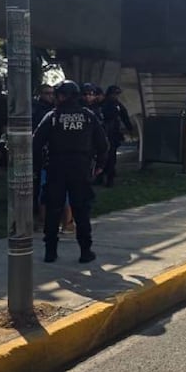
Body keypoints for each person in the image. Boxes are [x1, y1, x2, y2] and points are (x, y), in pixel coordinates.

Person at [33, 80, 108, 264]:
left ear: (61, 96)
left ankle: (50, 252)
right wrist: (100, 164)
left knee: (53, 209)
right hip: (81, 168)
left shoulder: (52, 117)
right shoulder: (88, 116)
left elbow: (36, 143)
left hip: (56, 168)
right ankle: (85, 251)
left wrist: (38, 166)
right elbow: (103, 144)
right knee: (81, 210)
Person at [100, 85, 135, 187]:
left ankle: (110, 178)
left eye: (117, 94)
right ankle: (101, 176)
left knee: (111, 157)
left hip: (113, 134)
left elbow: (124, 116)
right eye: (114, 94)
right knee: (103, 157)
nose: (115, 96)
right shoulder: (104, 104)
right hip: (103, 133)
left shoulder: (117, 105)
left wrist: (130, 128)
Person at [32, 84, 55, 225]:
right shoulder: (37, 109)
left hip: (52, 150)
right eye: (47, 93)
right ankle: (39, 211)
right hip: (40, 150)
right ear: (40, 94)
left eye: (52, 93)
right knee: (39, 182)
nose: (50, 96)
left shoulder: (53, 109)